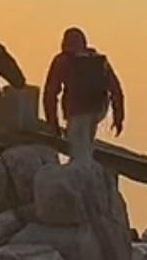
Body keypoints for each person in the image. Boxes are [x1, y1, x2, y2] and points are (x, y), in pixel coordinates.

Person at [43, 26, 125, 165]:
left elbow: (50, 93)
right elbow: (116, 89)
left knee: (78, 151)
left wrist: (53, 123)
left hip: (76, 110)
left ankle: (80, 173)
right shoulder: (97, 60)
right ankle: (86, 168)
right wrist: (118, 117)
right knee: (87, 141)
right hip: (98, 109)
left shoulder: (62, 60)